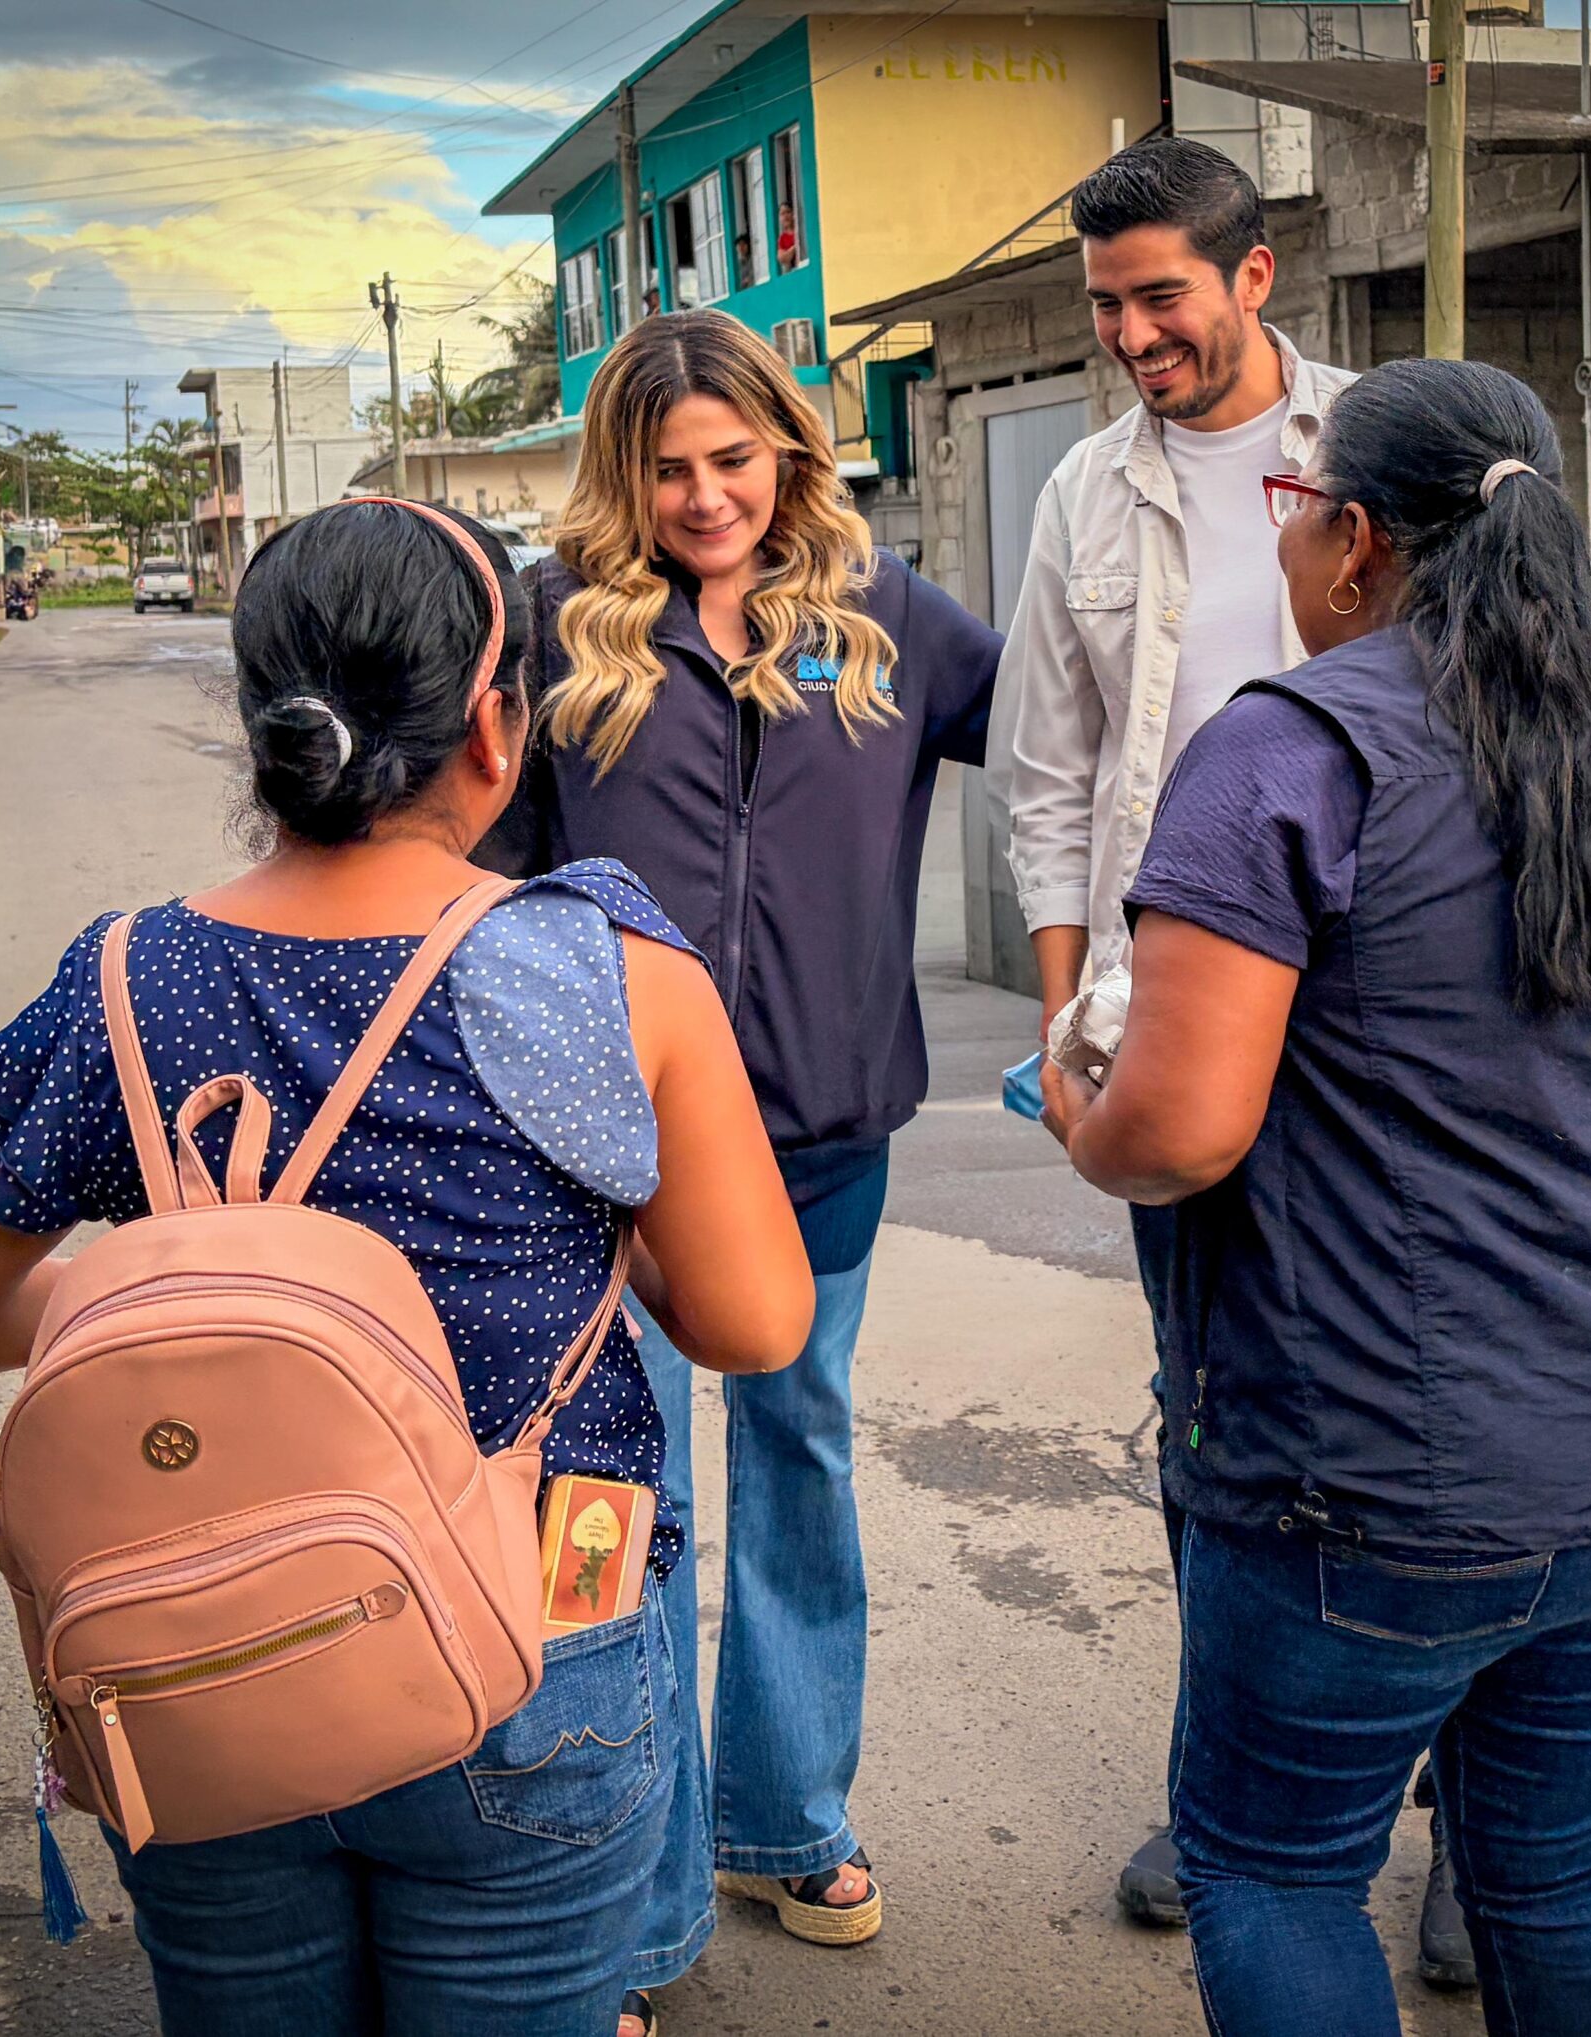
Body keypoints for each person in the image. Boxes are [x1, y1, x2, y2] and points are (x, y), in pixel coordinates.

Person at [0, 496, 816, 2037]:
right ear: (495, 731)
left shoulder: (123, 976)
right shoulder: (598, 965)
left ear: (260, 733)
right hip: (528, 1645)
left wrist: (168, 1291)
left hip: (201, 1657)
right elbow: (756, 1321)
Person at [1043, 357, 1591, 2035]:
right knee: (1555, 1860)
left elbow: (1181, 1132)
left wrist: (1084, 1106)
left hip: (1381, 1484)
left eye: (1295, 518)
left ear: (1358, 541)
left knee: (1278, 1865)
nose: (1290, 552)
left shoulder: (1291, 748)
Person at [986, 135, 1477, 1965]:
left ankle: (1466, 1830)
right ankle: (1244, 1795)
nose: (1130, 333)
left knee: (1427, 1411)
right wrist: (1064, 1023)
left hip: (1401, 1028)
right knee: (1215, 1423)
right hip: (1175, 1020)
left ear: (1253, 276)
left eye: (1159, 296)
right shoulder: (1081, 502)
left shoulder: (1389, 449)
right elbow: (1047, 782)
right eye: (1107, 303)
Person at [480, 309, 1000, 2035]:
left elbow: (1087, 732)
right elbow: (481, 888)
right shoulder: (561, 634)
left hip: (826, 1140)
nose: (706, 497)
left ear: (792, 444)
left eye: (734, 456)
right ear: (621, 479)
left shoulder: (894, 623)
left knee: (796, 1459)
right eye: (667, 469)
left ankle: (780, 1817)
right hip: (598, 1150)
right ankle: (622, 1897)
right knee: (621, 1510)